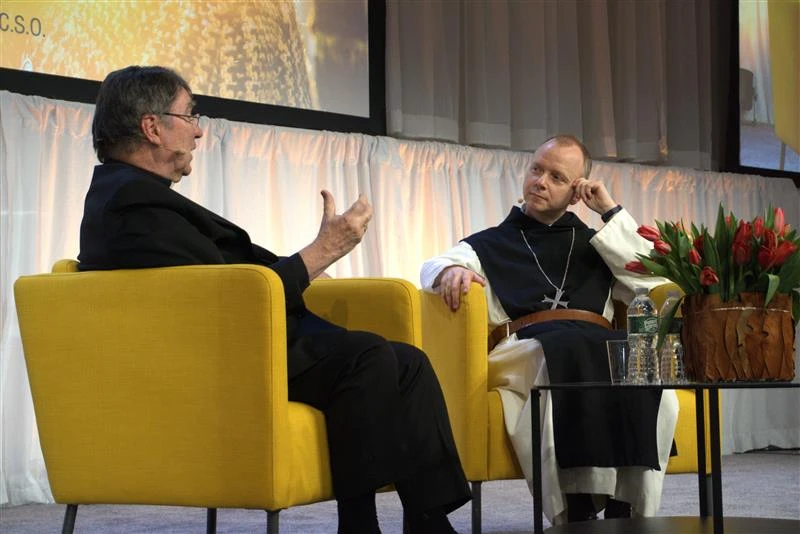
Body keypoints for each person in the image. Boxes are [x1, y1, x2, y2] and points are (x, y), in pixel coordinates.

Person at [78, 65, 470, 534]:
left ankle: (428, 521)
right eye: (190, 115)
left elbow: (234, 280)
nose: (200, 130)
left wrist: (315, 257)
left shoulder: (137, 194)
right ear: (152, 127)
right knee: (365, 356)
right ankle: (359, 525)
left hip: (238, 339)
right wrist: (322, 251)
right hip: (221, 358)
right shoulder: (131, 202)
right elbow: (230, 298)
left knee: (408, 363)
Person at [420, 135, 679, 525]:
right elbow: (432, 266)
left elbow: (651, 274)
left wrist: (609, 211)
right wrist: (450, 270)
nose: (540, 181)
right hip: (524, 347)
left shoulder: (598, 244)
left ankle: (628, 508)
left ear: (578, 192)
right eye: (536, 169)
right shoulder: (491, 242)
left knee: (643, 367)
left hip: (591, 343)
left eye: (557, 177)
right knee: (558, 358)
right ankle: (575, 509)